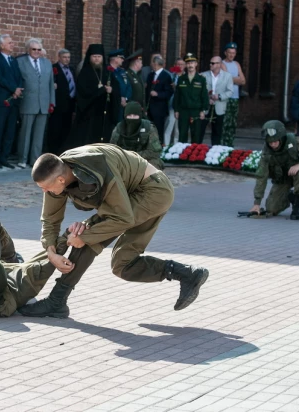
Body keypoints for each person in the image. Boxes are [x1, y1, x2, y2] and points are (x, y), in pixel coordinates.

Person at [18, 144, 209, 318]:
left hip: (152, 191)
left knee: (85, 235)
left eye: (45, 187)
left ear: (60, 179)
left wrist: (86, 235)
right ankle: (187, 274)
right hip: (127, 197)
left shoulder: (97, 168)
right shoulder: (59, 174)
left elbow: (122, 217)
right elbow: (50, 219)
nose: (44, 192)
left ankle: (56, 301)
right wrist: (51, 252)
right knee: (122, 265)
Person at [249, 120, 299, 220]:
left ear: (281, 138)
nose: (272, 144)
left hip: (296, 174)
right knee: (271, 208)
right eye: (270, 142)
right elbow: (261, 176)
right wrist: (257, 203)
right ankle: (290, 197)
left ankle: (297, 207)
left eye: (275, 141)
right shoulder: (267, 152)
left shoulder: (293, 141)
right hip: (282, 179)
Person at [66, 44, 120, 148]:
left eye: (99, 57)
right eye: (94, 56)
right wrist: (101, 90)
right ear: (89, 57)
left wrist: (112, 90)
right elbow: (83, 94)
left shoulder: (108, 73)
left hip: (105, 114)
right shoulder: (84, 73)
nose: (96, 59)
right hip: (89, 115)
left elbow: (117, 90)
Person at [15, 38, 55, 168]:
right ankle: (22, 158)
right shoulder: (20, 62)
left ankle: (35, 160)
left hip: (43, 103)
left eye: (39, 49)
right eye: (34, 49)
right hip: (27, 101)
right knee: (25, 133)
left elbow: (50, 84)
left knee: (39, 134)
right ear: (28, 50)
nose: (36, 52)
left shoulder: (47, 63)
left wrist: (51, 102)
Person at [0, 34, 23, 169]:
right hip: (2, 100)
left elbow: (19, 76)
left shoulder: (13, 60)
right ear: (2, 45)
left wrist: (18, 89)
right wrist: (13, 89)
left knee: (10, 130)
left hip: (14, 100)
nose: (12, 45)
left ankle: (4, 157)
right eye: (10, 43)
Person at [110, 101, 164, 170]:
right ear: (125, 115)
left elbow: (154, 152)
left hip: (144, 160)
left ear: (140, 115)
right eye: (129, 116)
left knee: (154, 164)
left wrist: (132, 156)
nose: (132, 118)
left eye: (135, 116)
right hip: (124, 160)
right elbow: (112, 150)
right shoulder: (119, 128)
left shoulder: (149, 128)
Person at [173, 53, 209, 143]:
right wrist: (176, 110)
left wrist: (203, 110)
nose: (190, 65)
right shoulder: (181, 79)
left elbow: (204, 95)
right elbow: (177, 95)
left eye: (192, 63)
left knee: (196, 135)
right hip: (183, 110)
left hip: (196, 111)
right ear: (186, 65)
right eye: (188, 63)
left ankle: (195, 156)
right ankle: (181, 156)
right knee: (182, 135)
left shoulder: (201, 79)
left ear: (196, 64)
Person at [47, 48, 76, 155]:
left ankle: (63, 151)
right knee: (55, 129)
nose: (66, 59)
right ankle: (53, 151)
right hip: (58, 104)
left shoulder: (71, 69)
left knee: (66, 129)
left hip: (69, 104)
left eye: (68, 57)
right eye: (64, 57)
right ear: (59, 57)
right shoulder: (54, 68)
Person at [199, 56, 234, 146]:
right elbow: (198, 91)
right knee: (200, 129)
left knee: (217, 131)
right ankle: (197, 149)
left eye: (213, 63)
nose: (211, 65)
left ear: (219, 64)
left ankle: (215, 152)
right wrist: (207, 99)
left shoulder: (227, 76)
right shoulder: (203, 75)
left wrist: (219, 96)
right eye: (210, 63)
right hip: (205, 107)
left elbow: (230, 91)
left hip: (219, 106)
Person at [220, 42, 246, 147]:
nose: (231, 55)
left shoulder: (236, 64)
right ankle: (223, 144)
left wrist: (234, 79)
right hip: (226, 97)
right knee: (225, 122)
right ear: (225, 53)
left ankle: (230, 144)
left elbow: (243, 81)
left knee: (233, 122)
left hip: (235, 97)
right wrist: (236, 79)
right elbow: (227, 78)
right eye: (230, 53)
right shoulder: (222, 64)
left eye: (233, 53)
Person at [146, 55, 174, 144]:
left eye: (153, 63)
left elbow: (169, 92)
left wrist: (158, 94)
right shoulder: (150, 75)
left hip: (160, 108)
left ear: (156, 64)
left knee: (159, 130)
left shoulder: (166, 76)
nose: (151, 65)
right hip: (150, 107)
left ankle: (159, 147)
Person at [163, 57, 186, 146]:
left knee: (178, 128)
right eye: (178, 64)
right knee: (169, 125)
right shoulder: (170, 76)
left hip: (181, 105)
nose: (179, 66)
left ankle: (176, 147)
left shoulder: (186, 77)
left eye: (181, 64)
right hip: (171, 105)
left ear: (184, 66)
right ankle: (166, 146)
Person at [108, 48, 132, 122]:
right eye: (121, 58)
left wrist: (126, 98)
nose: (123, 60)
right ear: (116, 59)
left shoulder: (122, 71)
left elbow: (129, 86)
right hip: (113, 104)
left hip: (123, 104)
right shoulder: (108, 71)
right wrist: (119, 98)